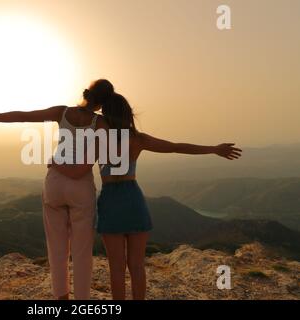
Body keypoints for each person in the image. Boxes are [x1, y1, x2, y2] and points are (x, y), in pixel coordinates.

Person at [51, 88, 242, 300]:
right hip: (133, 199)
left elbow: (79, 168)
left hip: (111, 201)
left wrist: (57, 166)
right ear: (128, 114)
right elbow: (176, 147)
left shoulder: (99, 140)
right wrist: (214, 149)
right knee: (137, 266)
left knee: (116, 268)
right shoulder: (138, 139)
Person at [0, 79, 114, 300]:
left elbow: (22, 115)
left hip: (54, 183)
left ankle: (60, 299)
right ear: (103, 103)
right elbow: (82, 168)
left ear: (88, 93)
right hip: (80, 187)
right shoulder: (101, 124)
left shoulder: (62, 112)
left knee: (56, 249)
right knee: (82, 252)